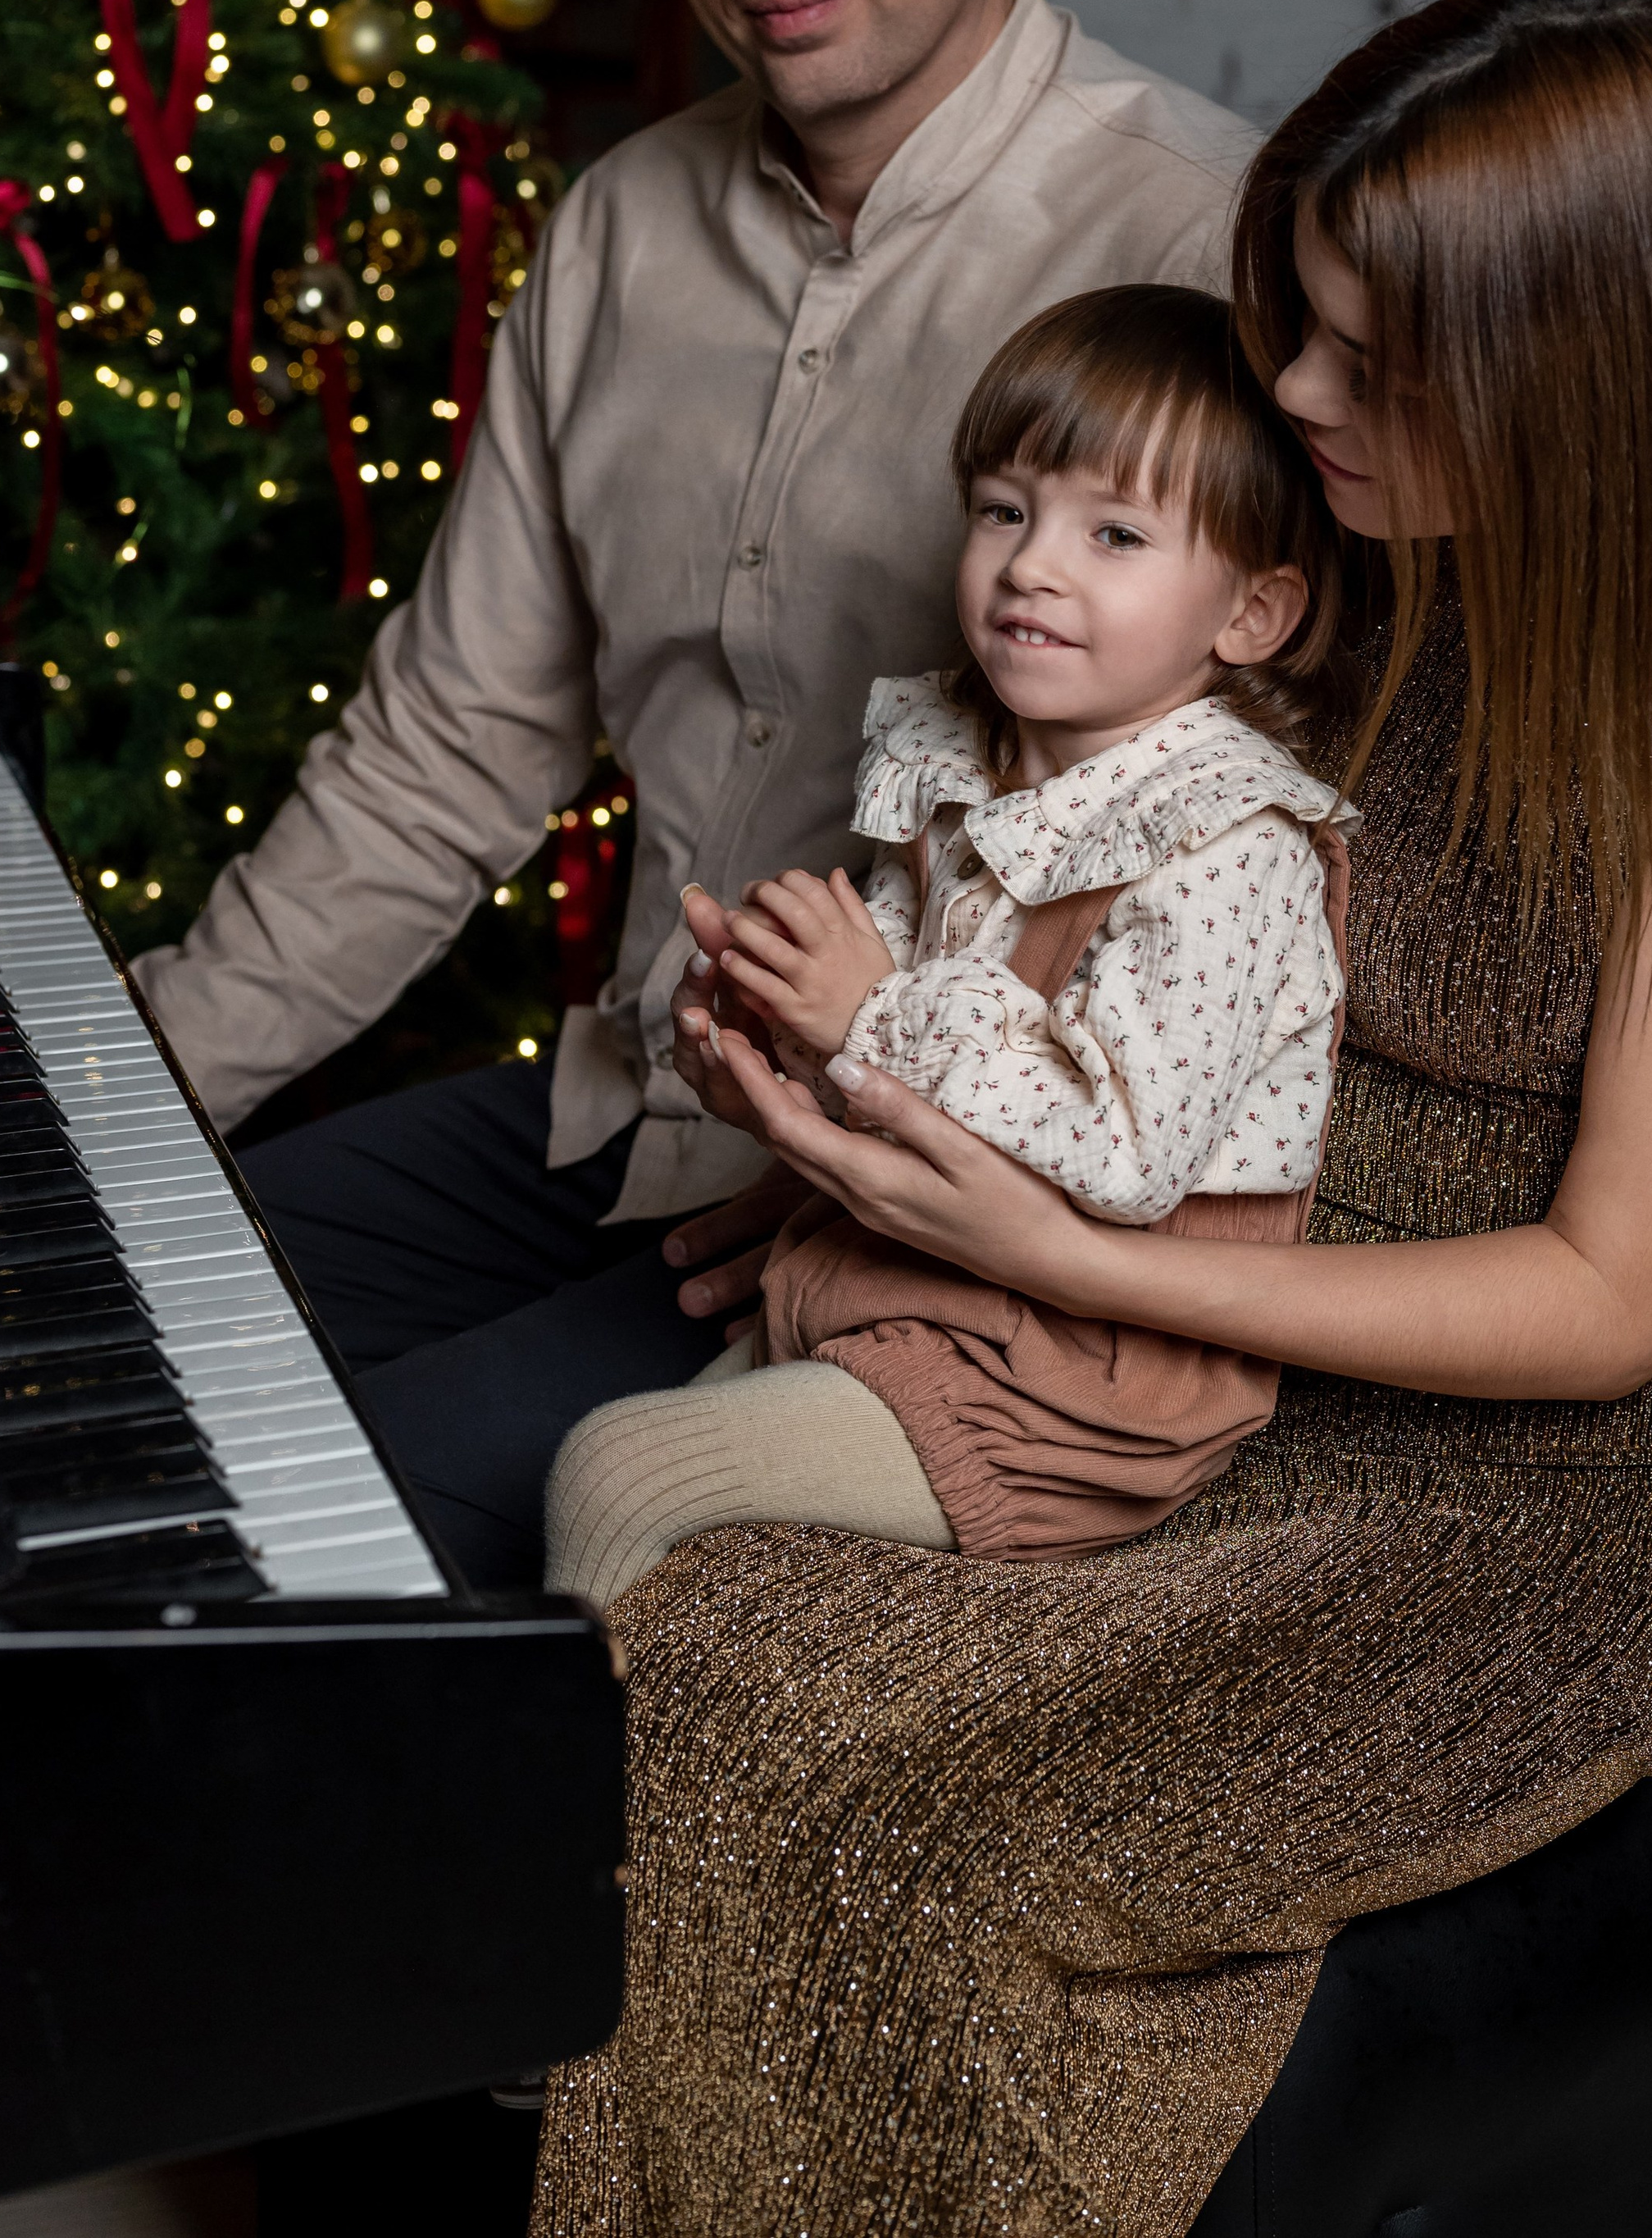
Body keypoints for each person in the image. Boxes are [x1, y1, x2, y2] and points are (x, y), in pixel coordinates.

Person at [528, 0, 1652, 2238]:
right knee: (696, 1646)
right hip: (1170, 1318)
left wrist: (1049, 1248)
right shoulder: (1365, 544)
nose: (1295, 393)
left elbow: (1606, 1295)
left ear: (1602, 371)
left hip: (1502, 1500)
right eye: (1296, 319)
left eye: (1375, 362)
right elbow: (1122, 925)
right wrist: (891, 1180)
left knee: (901, 1803)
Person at [128, 0, 1256, 1588]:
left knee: (296, 1530)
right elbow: (442, 748)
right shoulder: (617, 230)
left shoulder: (1200, 260)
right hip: (623, 1107)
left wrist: (896, 1203)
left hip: (901, 1219)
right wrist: (134, 1088)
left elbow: (1250, 871)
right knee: (110, 1313)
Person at [543, 285, 1356, 1602]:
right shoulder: (966, 770)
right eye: (1004, 508)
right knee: (653, 1497)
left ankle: (550, 1801)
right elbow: (893, 1070)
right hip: (907, 1279)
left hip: (1079, 1371)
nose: (1034, 562)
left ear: (1250, 617)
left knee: (620, 1475)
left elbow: (1124, 1157)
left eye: (1115, 533)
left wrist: (869, 1012)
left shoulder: (1229, 848)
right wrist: (776, 1041)